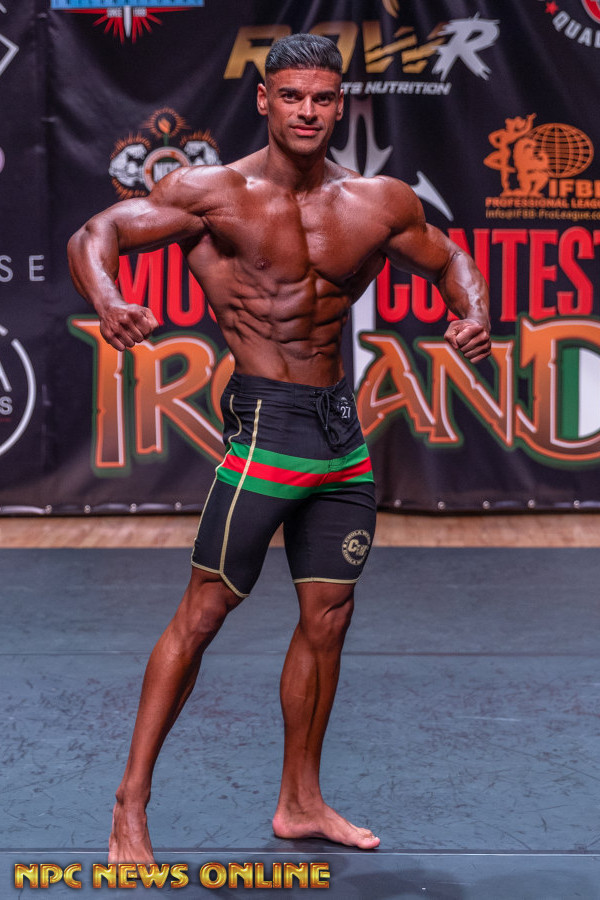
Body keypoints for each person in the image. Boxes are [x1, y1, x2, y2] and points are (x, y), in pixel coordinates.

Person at [67, 33, 491, 863]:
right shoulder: (212, 194)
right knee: (203, 613)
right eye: (291, 95)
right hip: (266, 430)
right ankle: (129, 803)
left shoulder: (378, 201)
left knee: (328, 619)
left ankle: (300, 801)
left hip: (340, 435)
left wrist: (473, 311)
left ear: (341, 104)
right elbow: (96, 232)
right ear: (264, 99)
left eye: (322, 98)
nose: (307, 111)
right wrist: (111, 301)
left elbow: (451, 261)